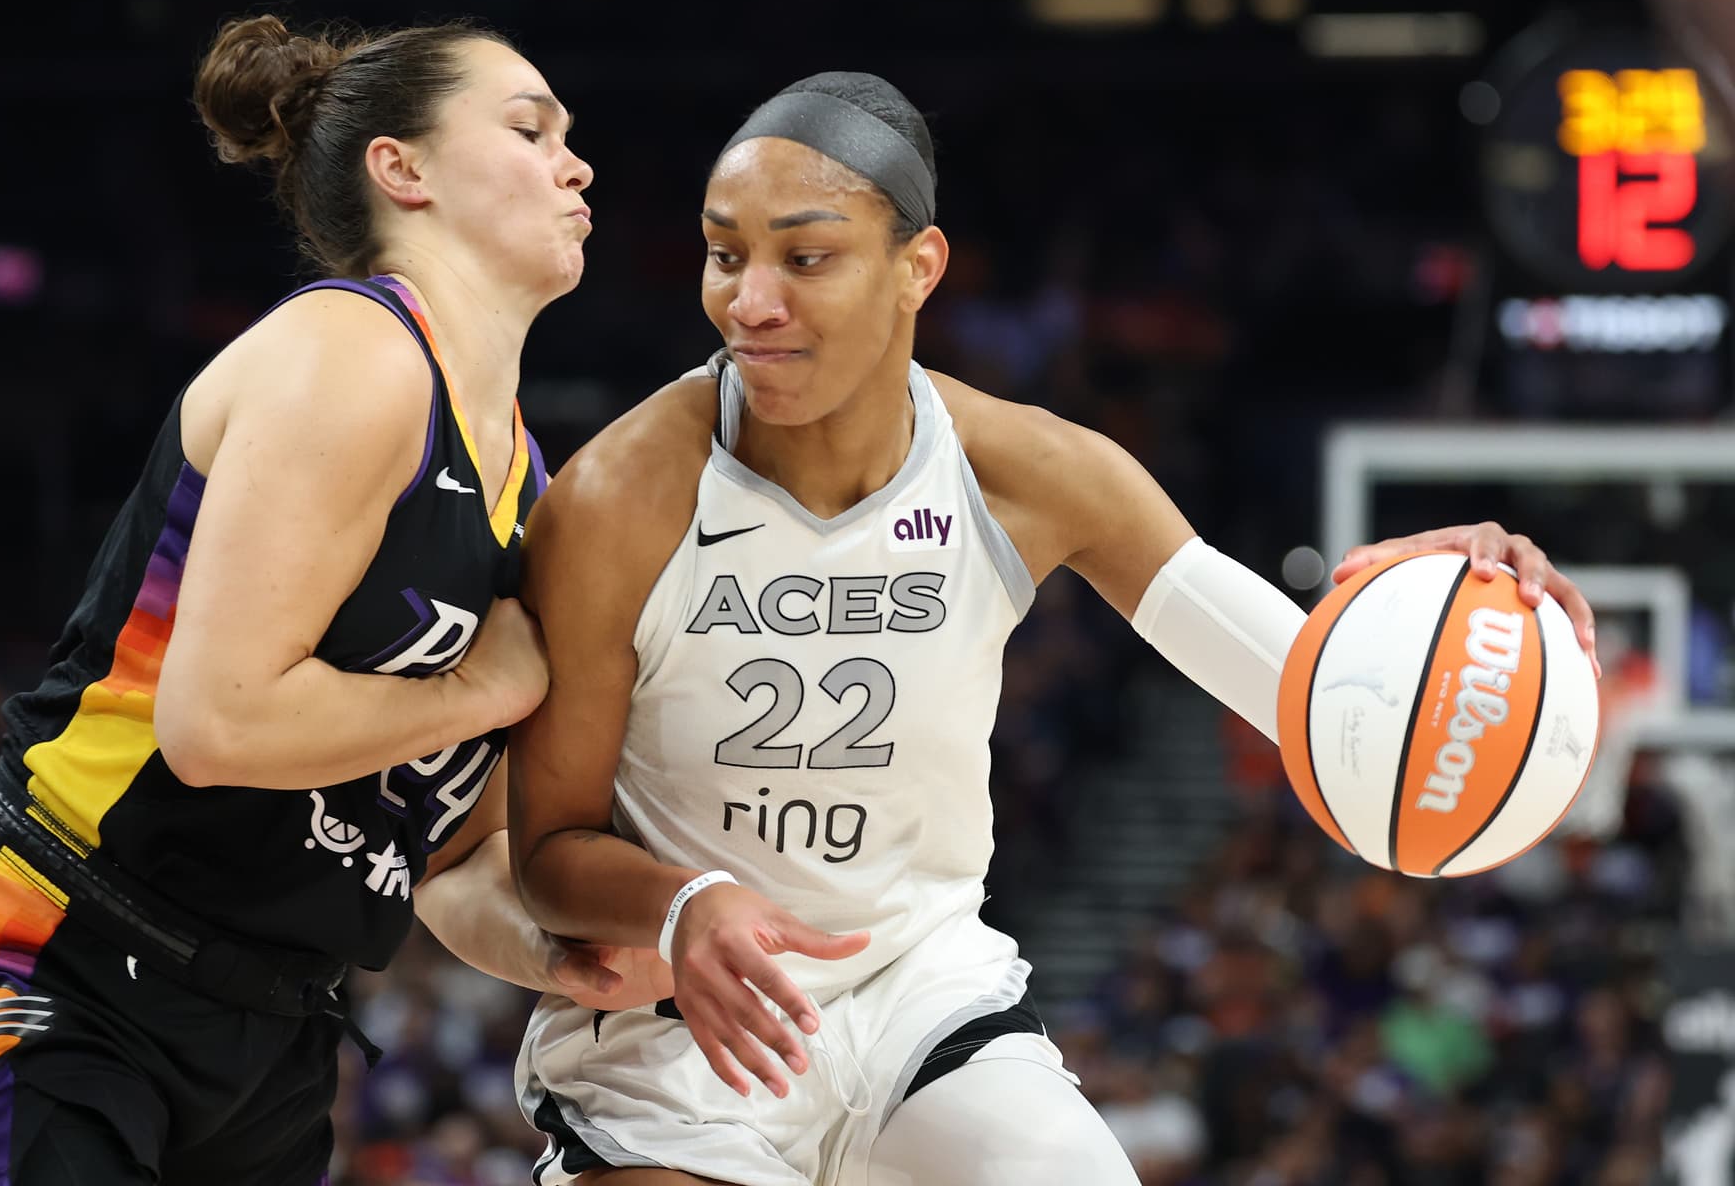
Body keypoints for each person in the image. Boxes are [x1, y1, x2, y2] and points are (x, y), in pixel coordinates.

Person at [505, 70, 1602, 1186]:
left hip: (911, 994)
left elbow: (1308, 690)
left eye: (806, 255)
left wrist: (1417, 613)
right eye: (725, 253)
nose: (751, 300)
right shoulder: (614, 498)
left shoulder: (1032, 470)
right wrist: (685, 899)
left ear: (916, 269)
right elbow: (546, 855)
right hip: (685, 1011)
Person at [0, 14, 665, 1186]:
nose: (576, 162)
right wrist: (477, 686)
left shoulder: (528, 485)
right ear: (404, 169)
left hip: (271, 1043)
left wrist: (562, 949)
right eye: (530, 127)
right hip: (58, 959)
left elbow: (447, 862)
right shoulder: (352, 350)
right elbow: (219, 722)